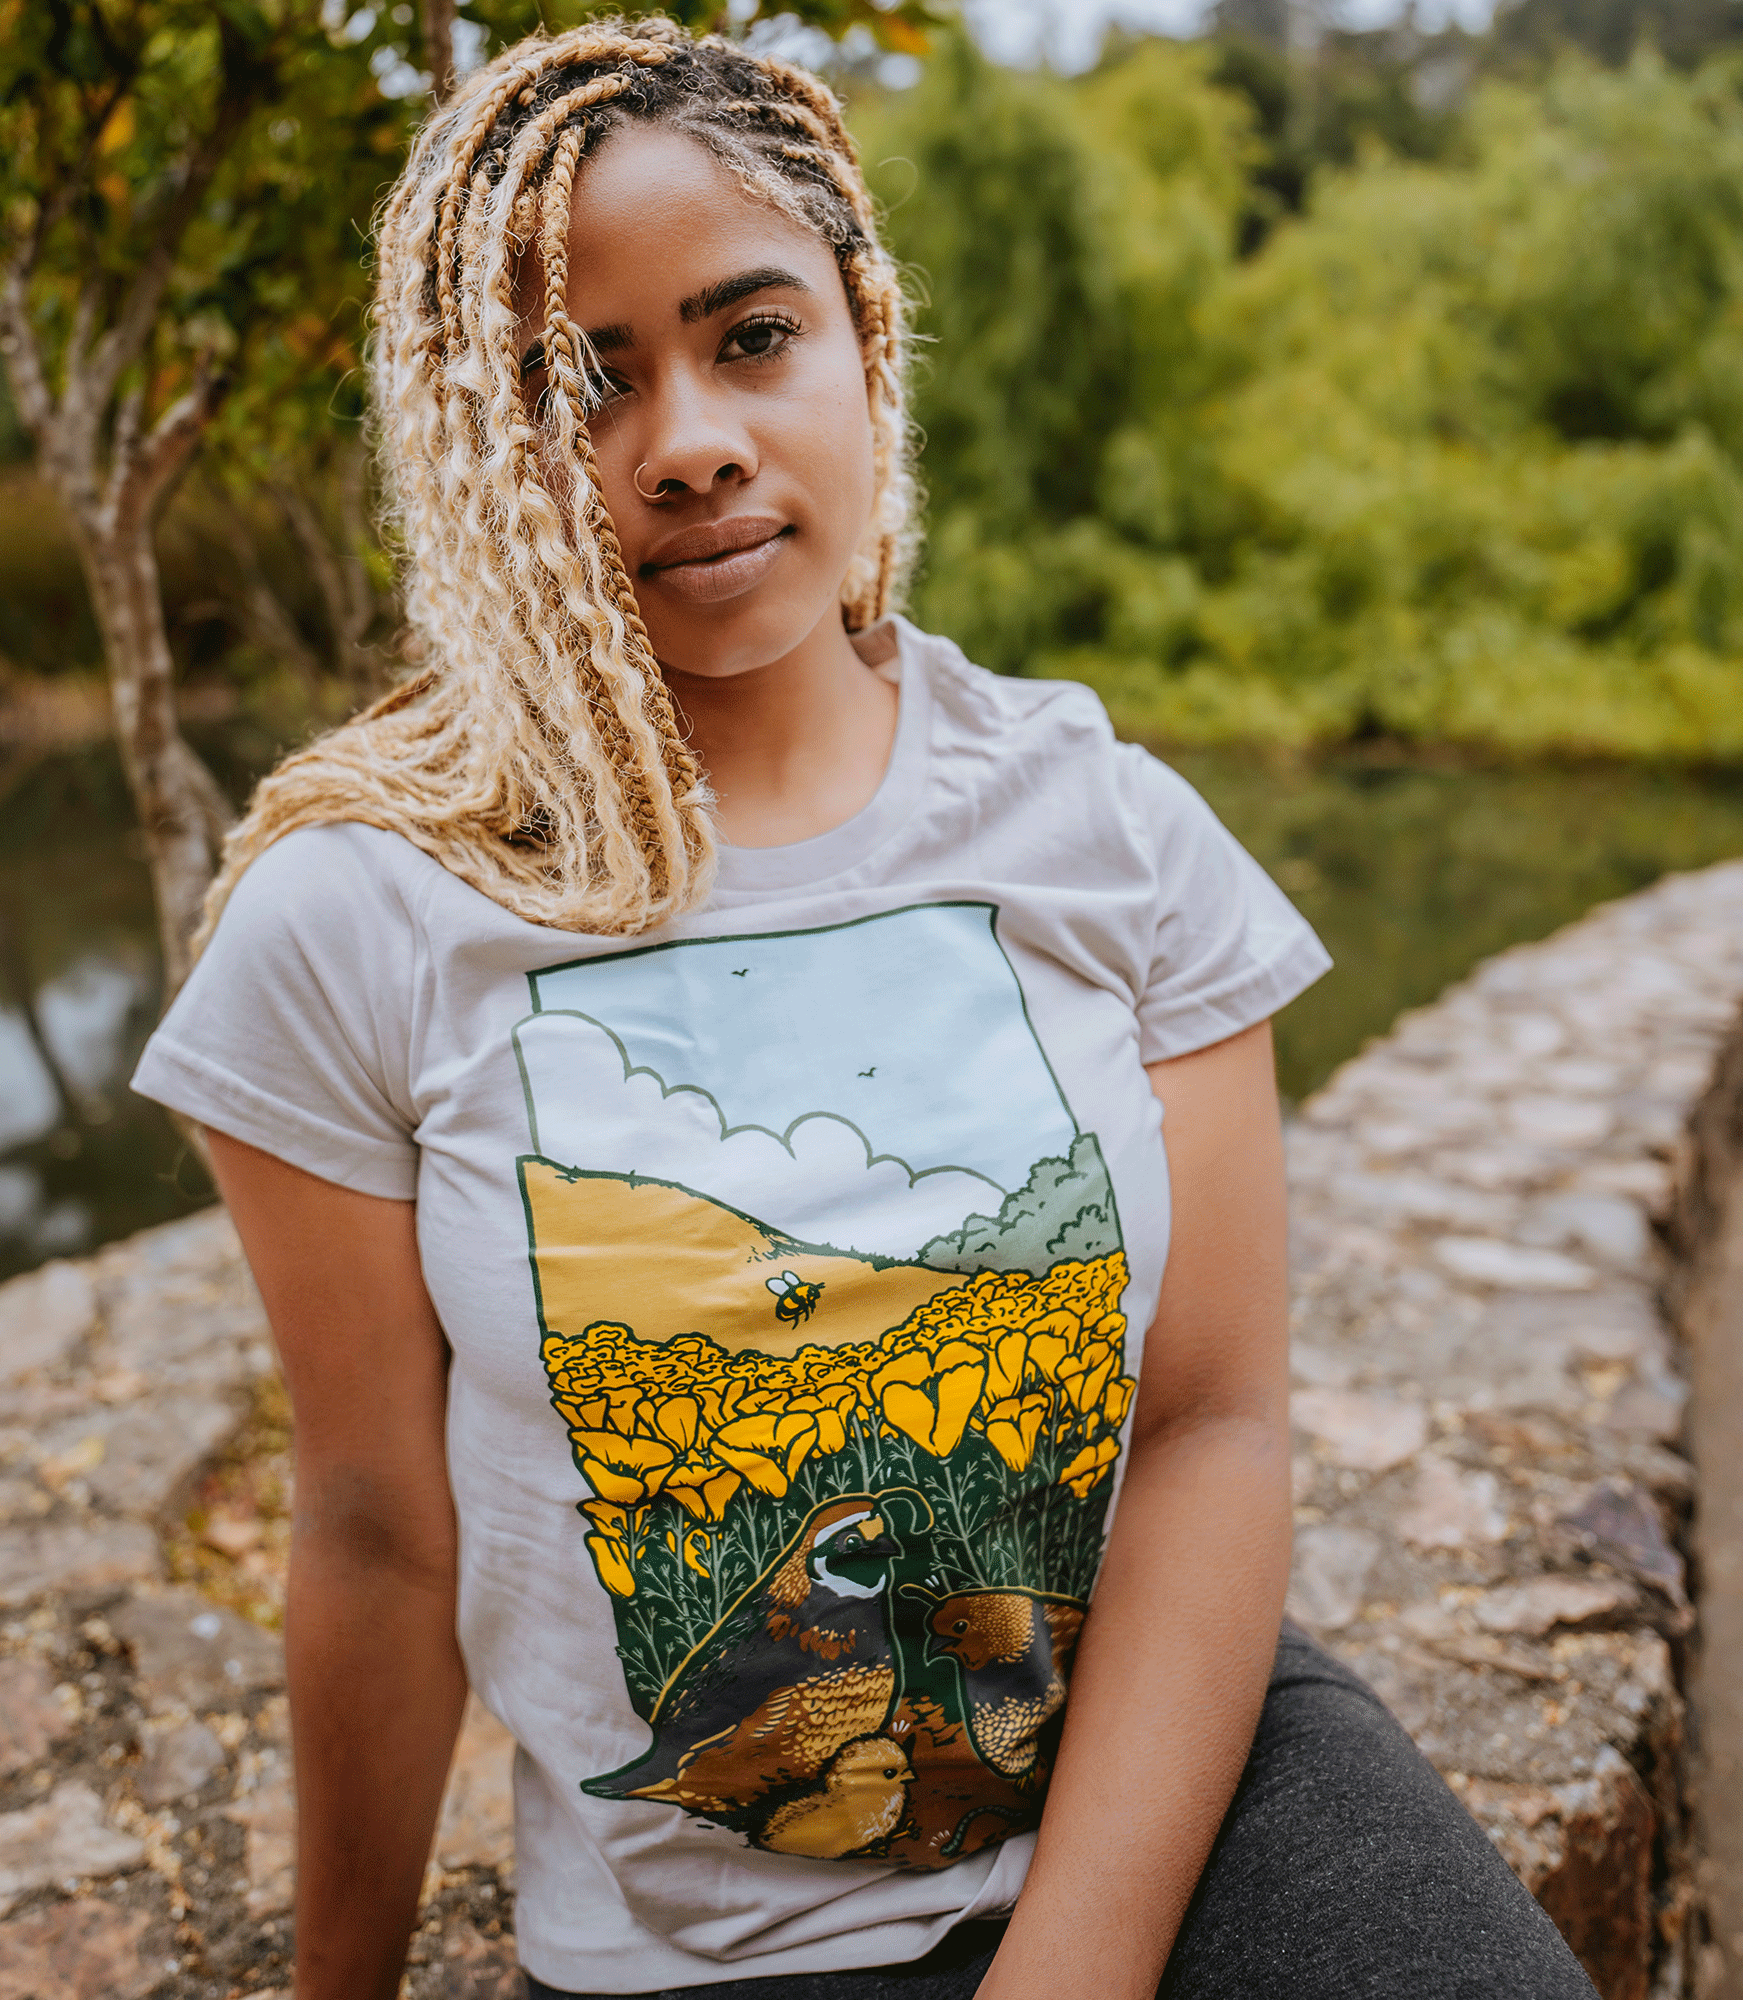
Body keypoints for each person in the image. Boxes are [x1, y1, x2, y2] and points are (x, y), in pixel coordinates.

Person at [132, 20, 1598, 2000]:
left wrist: (1065, 1968)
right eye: (585, 380)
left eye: (751, 338)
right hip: (699, 1941)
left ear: (862, 348)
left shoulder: (1101, 822)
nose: (687, 440)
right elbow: (379, 1530)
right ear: (481, 440)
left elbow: (1212, 1427)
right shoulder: (360, 910)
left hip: (1179, 1795)